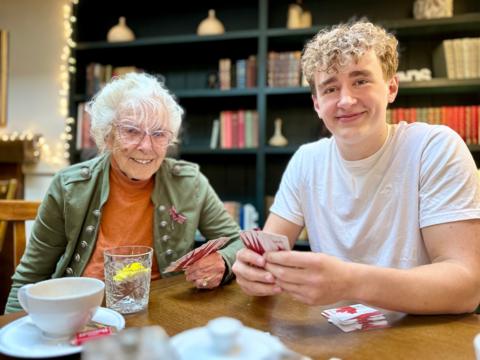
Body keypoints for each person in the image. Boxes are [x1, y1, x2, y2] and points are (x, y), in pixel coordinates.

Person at [233, 20, 480, 314]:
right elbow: (268, 254)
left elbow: (466, 288)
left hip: (421, 333)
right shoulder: (306, 159)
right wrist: (253, 270)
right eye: (330, 88)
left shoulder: (435, 147)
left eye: (360, 81)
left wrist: (351, 282)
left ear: (391, 88)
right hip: (333, 335)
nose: (346, 100)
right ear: (316, 104)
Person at [5, 72, 242, 313]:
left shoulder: (190, 183)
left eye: (158, 134)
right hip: (84, 312)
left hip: (163, 312)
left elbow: (237, 242)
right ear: (107, 136)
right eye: (131, 131)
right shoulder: (68, 186)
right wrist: (7, 336)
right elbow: (30, 277)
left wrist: (223, 261)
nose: (146, 146)